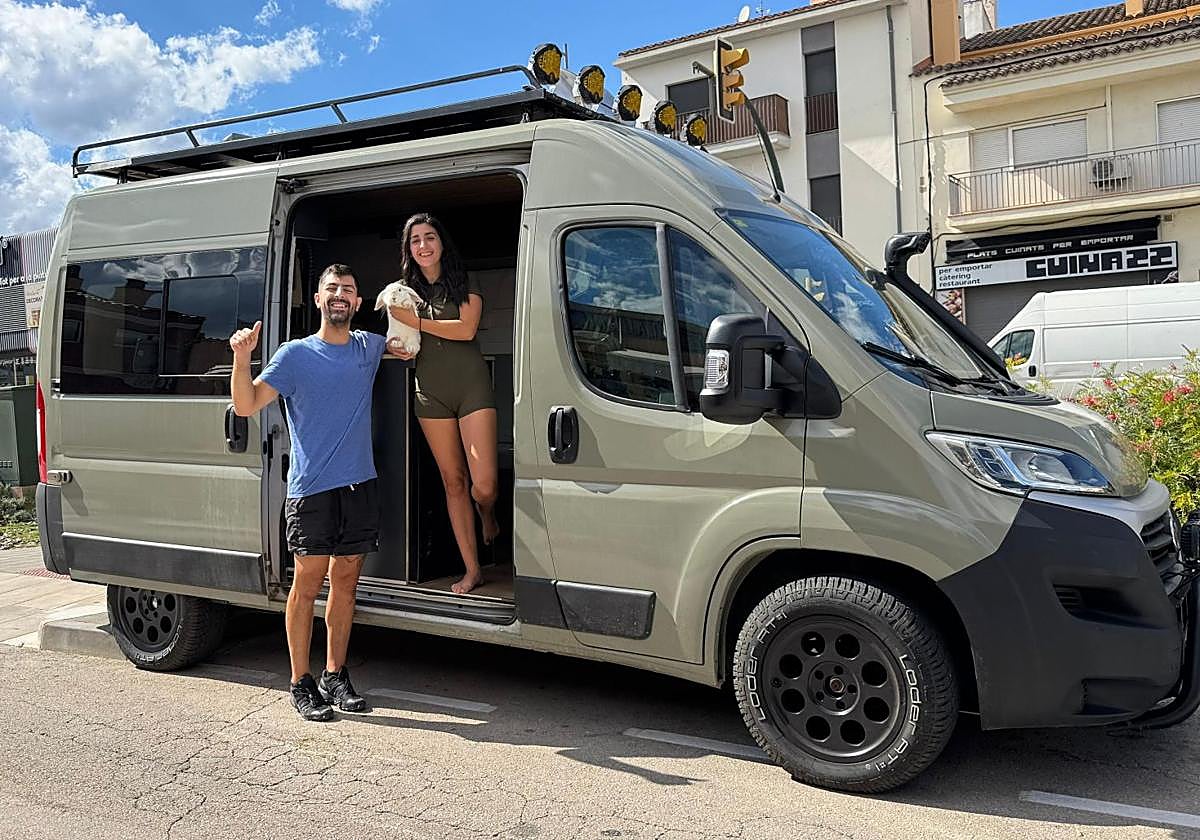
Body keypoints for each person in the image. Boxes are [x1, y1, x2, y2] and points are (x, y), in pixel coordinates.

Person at [230, 263, 400, 721]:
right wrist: (242, 357)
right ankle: (300, 682)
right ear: (320, 299)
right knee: (306, 585)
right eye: (332, 289)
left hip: (359, 486)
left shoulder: (369, 347)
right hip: (311, 491)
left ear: (358, 302)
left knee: (345, 584)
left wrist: (404, 302)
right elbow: (245, 405)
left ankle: (335, 675)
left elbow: (410, 340)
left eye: (348, 288)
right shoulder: (294, 355)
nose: (340, 294)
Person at [388, 213, 498, 595]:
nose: (423, 245)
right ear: (409, 250)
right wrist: (394, 345)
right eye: (414, 240)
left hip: (472, 390)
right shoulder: (401, 293)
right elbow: (397, 338)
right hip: (429, 394)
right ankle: (473, 570)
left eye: (429, 237)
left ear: (441, 242)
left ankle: (487, 513)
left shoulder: (466, 281)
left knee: (482, 486)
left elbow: (465, 329)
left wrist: (415, 322)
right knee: (454, 483)